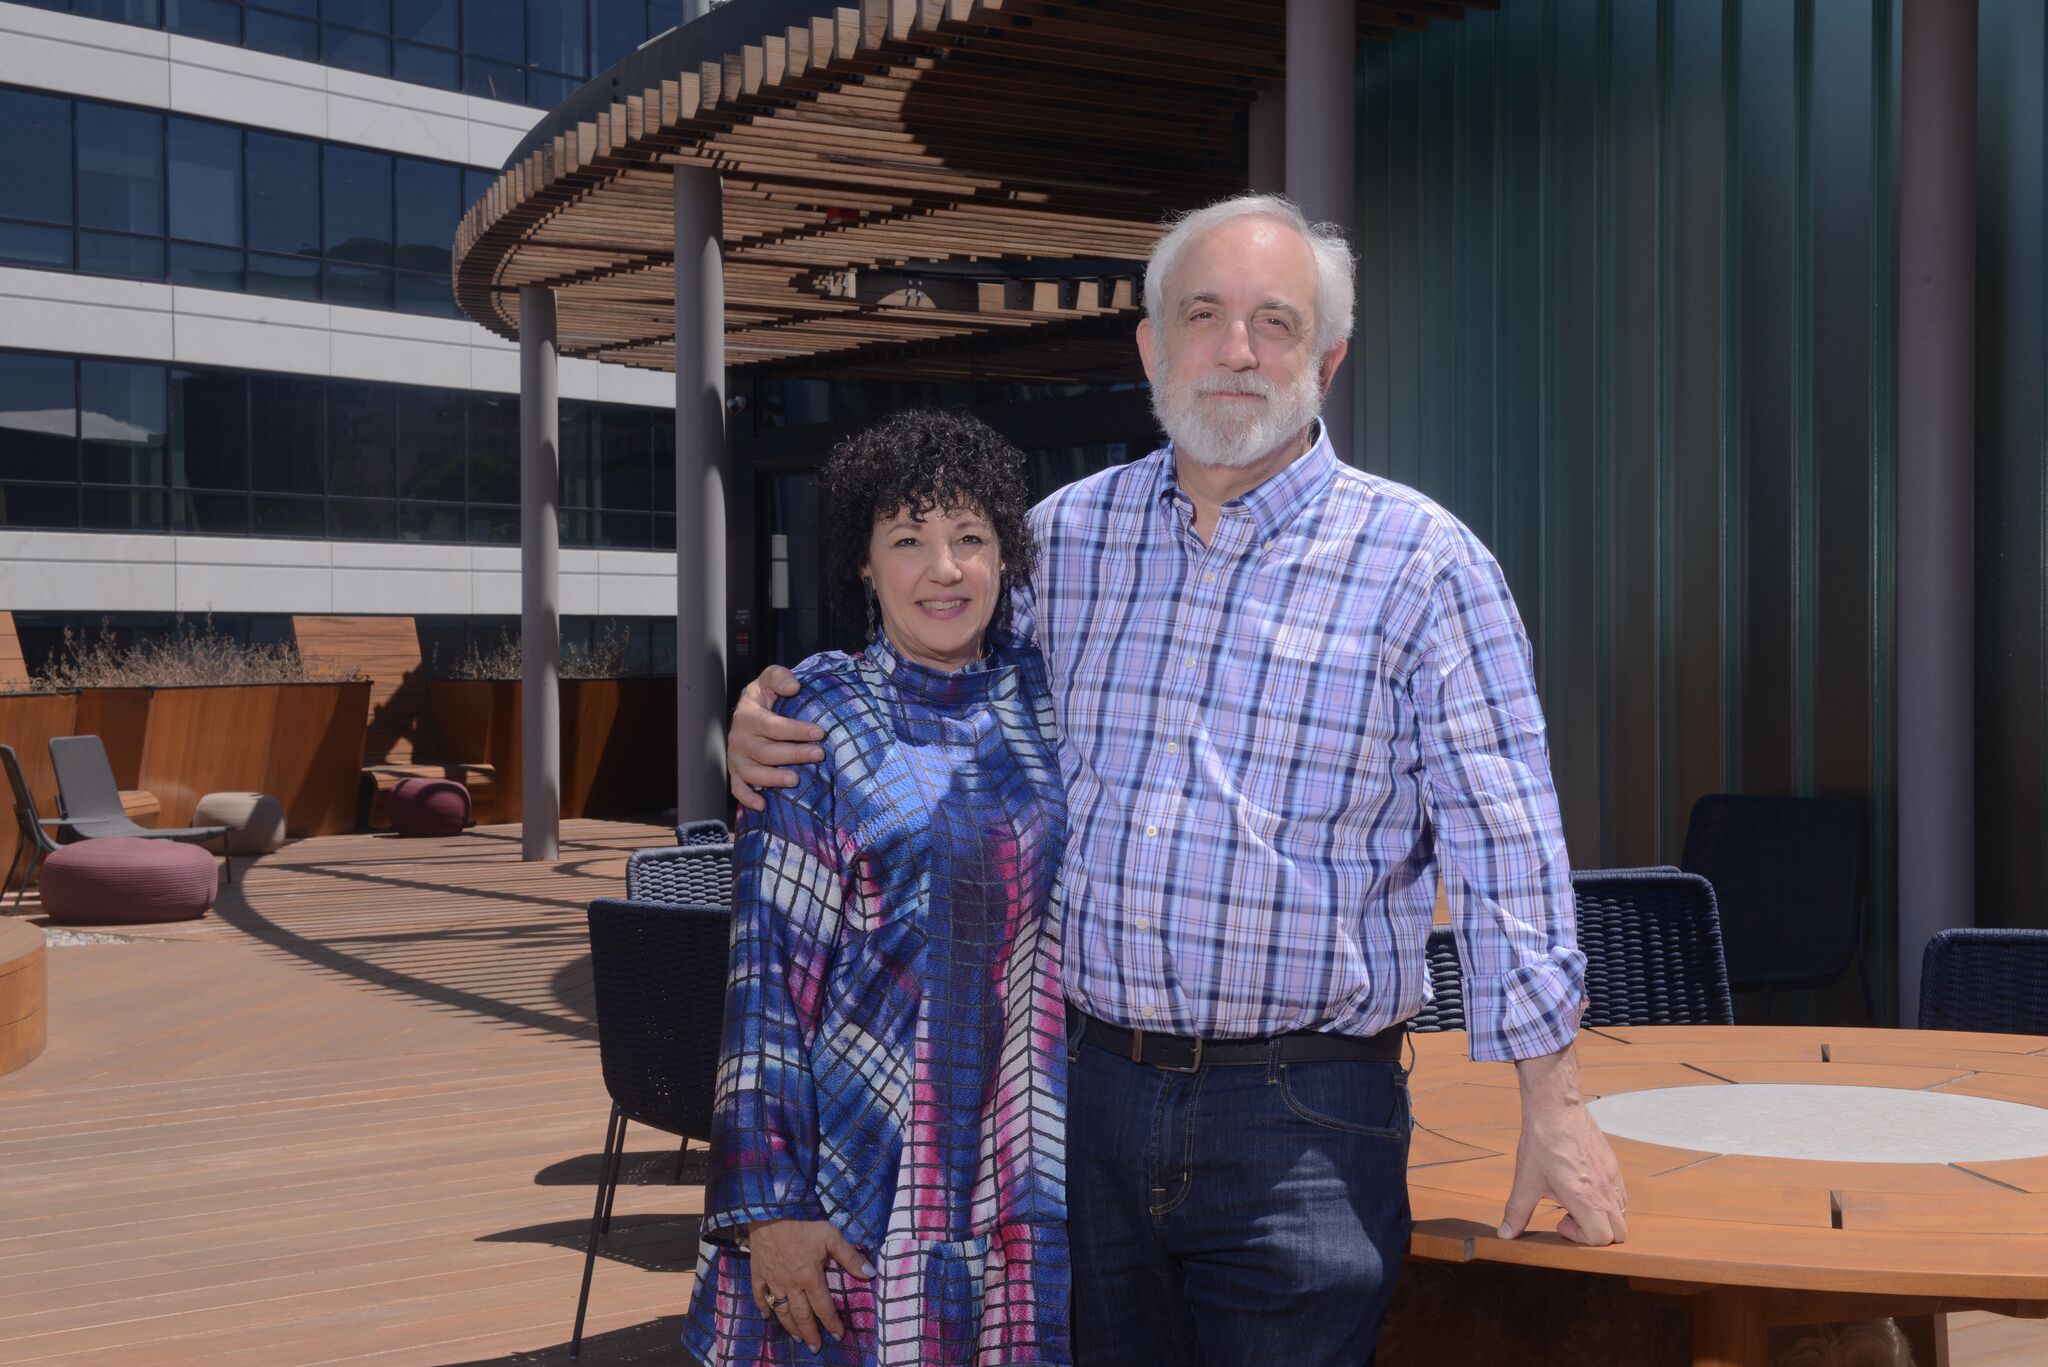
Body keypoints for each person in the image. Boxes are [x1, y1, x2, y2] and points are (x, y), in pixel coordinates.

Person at [728, 194, 1626, 1365]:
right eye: (1202, 315)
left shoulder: (1425, 564)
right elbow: (935, 678)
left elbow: (1506, 843)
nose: (1236, 350)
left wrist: (1548, 1104)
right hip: (1077, 1101)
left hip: (1304, 1118)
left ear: (1329, 357)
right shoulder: (1062, 537)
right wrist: (772, 711)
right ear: (1150, 346)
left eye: (1273, 321)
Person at [682, 409, 1071, 1367]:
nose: (944, 568)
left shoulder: (1048, 694)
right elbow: (763, 980)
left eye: (970, 538)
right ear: (863, 562)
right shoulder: (816, 723)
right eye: (909, 540)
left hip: (1024, 1159)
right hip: (861, 1169)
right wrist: (770, 1204)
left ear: (1004, 555)